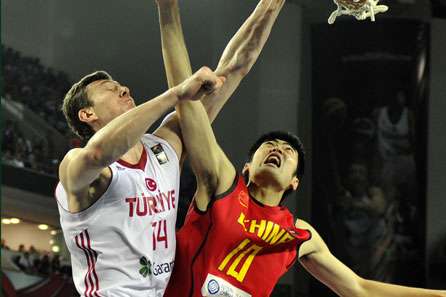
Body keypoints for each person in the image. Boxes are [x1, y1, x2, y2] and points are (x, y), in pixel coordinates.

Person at [164, 49, 446, 297]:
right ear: (247, 167)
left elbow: (359, 288)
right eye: (269, 145)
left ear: (295, 182)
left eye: (289, 150)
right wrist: (169, 13)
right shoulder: (223, 185)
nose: (278, 148)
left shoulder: (300, 235)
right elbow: (189, 105)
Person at [55, 0, 287, 294]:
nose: (124, 89)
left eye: (121, 85)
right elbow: (99, 152)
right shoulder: (76, 165)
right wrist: (175, 94)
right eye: (110, 90)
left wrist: (271, 4)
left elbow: (235, 67)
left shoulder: (164, 148)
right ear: (88, 114)